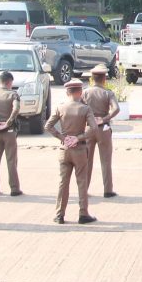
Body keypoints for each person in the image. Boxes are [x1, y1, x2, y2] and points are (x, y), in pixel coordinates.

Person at [45, 78, 99, 224]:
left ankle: (59, 214)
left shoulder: (60, 107)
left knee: (63, 182)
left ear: (67, 92)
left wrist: (63, 138)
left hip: (65, 149)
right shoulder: (85, 109)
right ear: (80, 92)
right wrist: (78, 137)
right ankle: (83, 213)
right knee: (82, 182)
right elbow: (94, 128)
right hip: (79, 149)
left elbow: (48, 126)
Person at [83, 65, 121, 199]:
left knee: (87, 161)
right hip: (103, 128)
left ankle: (84, 190)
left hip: (88, 128)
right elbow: (116, 109)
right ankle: (107, 190)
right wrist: (105, 118)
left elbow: (79, 108)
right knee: (106, 160)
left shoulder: (85, 92)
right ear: (104, 78)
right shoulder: (107, 93)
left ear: (92, 78)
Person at [0, 71, 22, 197]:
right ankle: (14, 188)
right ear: (9, 82)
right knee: (11, 160)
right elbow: (16, 108)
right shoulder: (13, 95)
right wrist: (9, 121)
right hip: (9, 131)